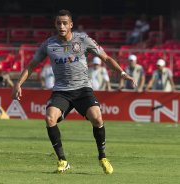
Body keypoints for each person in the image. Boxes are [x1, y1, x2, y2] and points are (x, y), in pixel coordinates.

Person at [12, 9, 136, 174]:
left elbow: (105, 57)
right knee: (50, 118)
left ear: (71, 25)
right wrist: (18, 83)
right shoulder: (49, 45)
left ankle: (102, 157)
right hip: (62, 91)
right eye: (58, 23)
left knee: (98, 119)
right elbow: (32, 65)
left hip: (83, 89)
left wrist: (122, 73)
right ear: (55, 24)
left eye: (64, 23)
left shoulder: (83, 40)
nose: (61, 26)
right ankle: (62, 160)